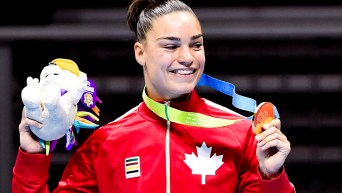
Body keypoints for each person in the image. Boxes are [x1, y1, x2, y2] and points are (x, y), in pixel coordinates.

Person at [12, 0, 296, 192]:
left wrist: (272, 177)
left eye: (196, 45)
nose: (187, 58)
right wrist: (32, 157)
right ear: (140, 53)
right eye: (171, 46)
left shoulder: (240, 134)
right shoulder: (104, 145)